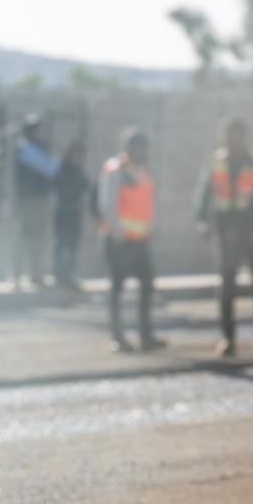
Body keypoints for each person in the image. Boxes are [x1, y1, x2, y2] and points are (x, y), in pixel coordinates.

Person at [199, 117, 253, 358]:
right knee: (227, 288)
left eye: (234, 136)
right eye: (226, 136)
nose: (230, 141)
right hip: (226, 236)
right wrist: (202, 221)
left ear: (243, 137)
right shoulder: (215, 162)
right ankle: (228, 339)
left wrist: (240, 226)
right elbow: (204, 193)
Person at [95, 126, 163, 351]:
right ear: (129, 148)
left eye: (145, 148)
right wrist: (118, 234)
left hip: (140, 239)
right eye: (139, 148)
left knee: (147, 286)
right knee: (117, 288)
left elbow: (147, 203)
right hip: (119, 240)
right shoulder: (117, 170)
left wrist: (150, 228)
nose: (143, 152)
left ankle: (146, 336)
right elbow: (107, 205)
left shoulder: (143, 171)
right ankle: (118, 337)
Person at [6, 113, 59, 290]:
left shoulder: (39, 148)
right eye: (39, 130)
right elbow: (50, 168)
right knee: (24, 237)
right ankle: (16, 274)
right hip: (27, 200)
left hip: (40, 199)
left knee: (39, 238)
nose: (43, 133)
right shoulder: (25, 149)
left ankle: (37, 274)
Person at [50, 133, 94, 296]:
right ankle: (60, 276)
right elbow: (61, 190)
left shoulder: (77, 170)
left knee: (71, 246)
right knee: (63, 246)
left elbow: (87, 187)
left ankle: (67, 276)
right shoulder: (62, 170)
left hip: (74, 215)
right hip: (64, 215)